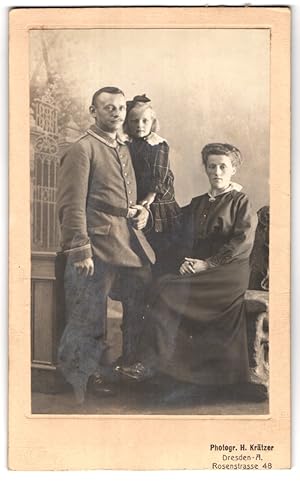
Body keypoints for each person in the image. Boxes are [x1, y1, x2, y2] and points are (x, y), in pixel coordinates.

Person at [116, 143, 260, 397]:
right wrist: (147, 218)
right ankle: (159, 367)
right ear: (205, 168)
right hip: (199, 266)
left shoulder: (240, 201)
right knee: (162, 285)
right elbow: (173, 230)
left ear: (233, 170)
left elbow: (241, 242)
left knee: (169, 289)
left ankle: (151, 364)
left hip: (229, 270)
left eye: (223, 166)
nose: (217, 171)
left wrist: (208, 264)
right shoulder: (198, 203)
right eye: (212, 166)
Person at [56, 86, 155, 403]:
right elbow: (71, 205)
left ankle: (128, 365)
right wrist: (80, 248)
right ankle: (86, 374)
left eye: (121, 108)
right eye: (109, 107)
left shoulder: (123, 148)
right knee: (91, 311)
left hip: (126, 239)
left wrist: (142, 211)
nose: (117, 113)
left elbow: (126, 196)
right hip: (96, 242)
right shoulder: (82, 149)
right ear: (93, 111)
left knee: (142, 295)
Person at [124, 94, 182, 275]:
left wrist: (149, 197)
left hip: (157, 201)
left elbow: (160, 174)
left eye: (144, 121)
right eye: (134, 121)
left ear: (152, 122)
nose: (139, 125)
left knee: (161, 249)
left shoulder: (158, 145)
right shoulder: (128, 143)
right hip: (139, 199)